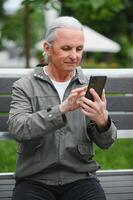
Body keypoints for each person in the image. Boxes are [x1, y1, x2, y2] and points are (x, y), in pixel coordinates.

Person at [8, 16, 117, 200]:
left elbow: (106, 143)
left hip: (80, 178)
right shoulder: (25, 85)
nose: (74, 56)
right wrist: (62, 109)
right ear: (47, 48)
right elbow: (18, 129)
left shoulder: (88, 86)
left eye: (79, 49)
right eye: (66, 48)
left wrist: (102, 122)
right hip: (34, 179)